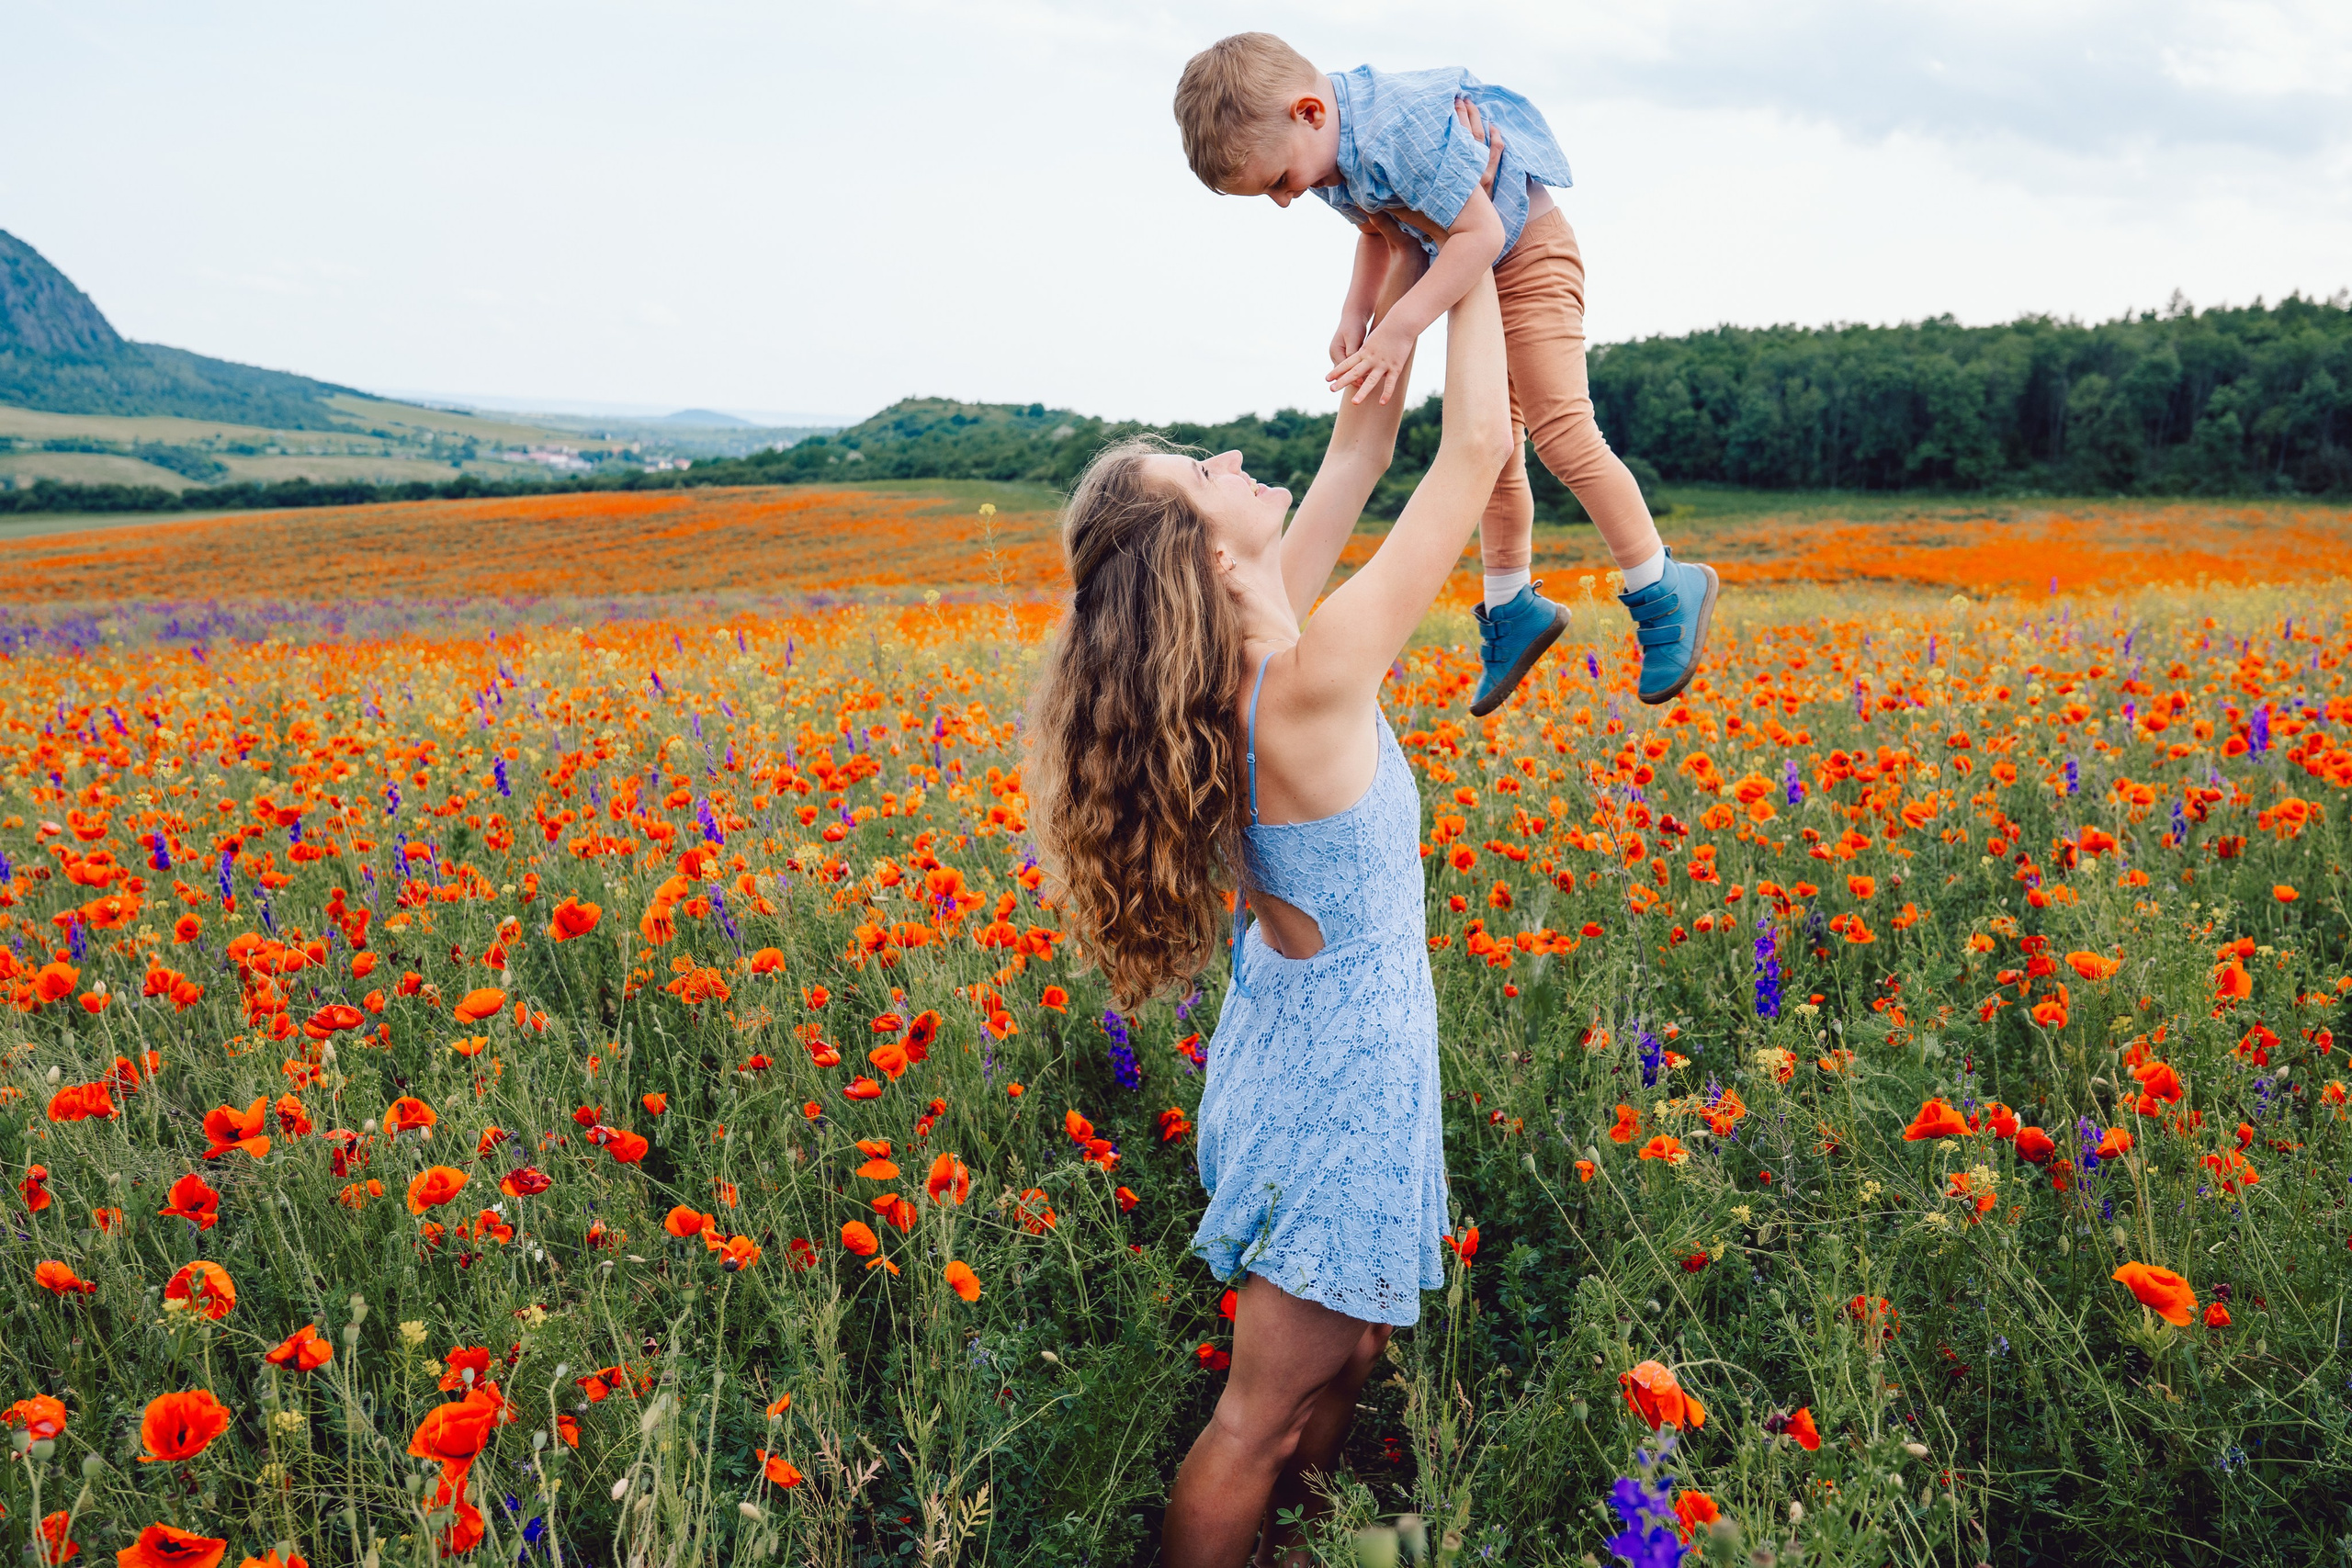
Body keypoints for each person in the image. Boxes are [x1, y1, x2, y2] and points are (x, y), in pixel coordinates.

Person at [1025, 211, 1512, 1566]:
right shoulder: (1300, 684)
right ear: (1200, 548)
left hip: (1310, 1051)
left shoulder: (1245, 647)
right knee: (1257, 1409)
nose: (1237, 457)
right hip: (1337, 1083)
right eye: (1204, 467)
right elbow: (1473, 454)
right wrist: (1493, 248)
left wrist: (1397, 259)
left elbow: (1365, 445)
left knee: (1341, 1352)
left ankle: (1298, 1548)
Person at [1174, 31, 1718, 713]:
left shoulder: (1391, 130)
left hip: (1526, 255)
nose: (1285, 199)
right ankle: (1511, 604)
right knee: (1495, 458)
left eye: (1278, 182)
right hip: (1467, 264)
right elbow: (1381, 232)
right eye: (1268, 194)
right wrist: (1358, 309)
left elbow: (1480, 234)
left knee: (1562, 432)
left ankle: (1663, 584)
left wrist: (1399, 328)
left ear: (1308, 111)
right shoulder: (1319, 151)